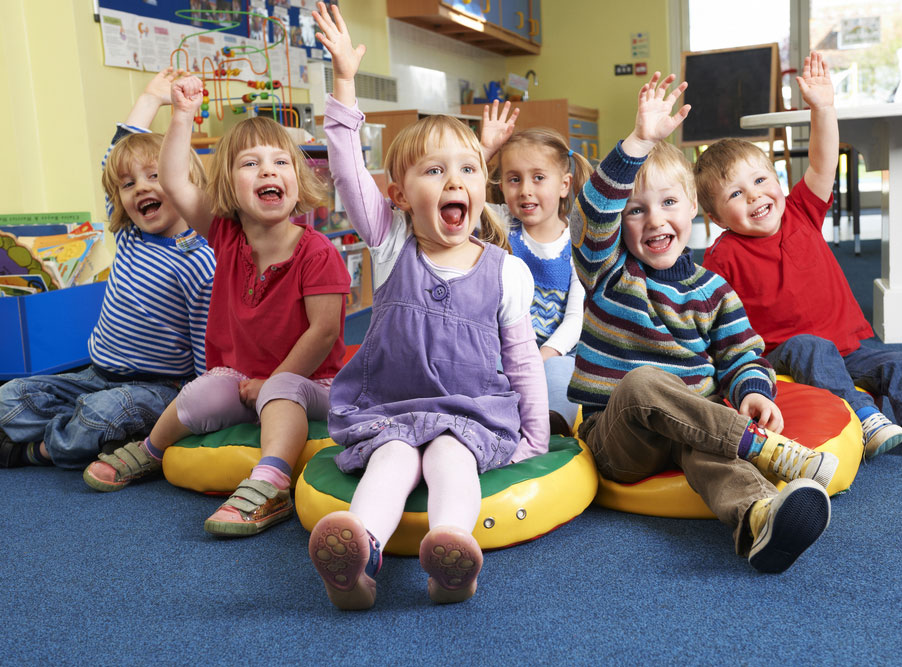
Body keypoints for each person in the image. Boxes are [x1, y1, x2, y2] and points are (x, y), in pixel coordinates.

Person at [308, 1, 548, 609]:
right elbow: (346, 173)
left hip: (469, 414)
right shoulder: (390, 243)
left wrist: (534, 439)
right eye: (433, 170)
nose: (453, 181)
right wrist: (342, 84)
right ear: (398, 196)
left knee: (450, 460)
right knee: (390, 461)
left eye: (468, 169)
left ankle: (451, 555)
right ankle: (357, 557)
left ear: (483, 188)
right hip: (391, 408)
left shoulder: (507, 271)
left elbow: (521, 362)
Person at [571, 71, 838, 573]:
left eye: (670, 203)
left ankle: (759, 519)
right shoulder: (606, 273)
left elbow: (740, 354)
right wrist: (638, 143)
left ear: (694, 208)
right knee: (645, 381)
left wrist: (753, 391)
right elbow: (595, 212)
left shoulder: (713, 290)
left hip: (693, 425)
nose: (654, 220)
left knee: (707, 449)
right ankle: (765, 450)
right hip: (619, 438)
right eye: (636, 211)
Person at [81, 72, 352, 538]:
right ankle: (150, 450)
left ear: (296, 177)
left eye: (280, 162)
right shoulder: (225, 235)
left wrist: (274, 380)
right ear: (228, 185)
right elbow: (172, 179)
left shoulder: (317, 252)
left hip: (311, 383)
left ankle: (269, 484)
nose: (268, 171)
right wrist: (181, 114)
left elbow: (324, 331)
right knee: (202, 390)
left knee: (281, 392)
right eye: (251, 164)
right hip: (242, 380)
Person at [696, 52, 902, 461]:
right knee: (812, 348)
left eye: (760, 180)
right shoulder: (723, 255)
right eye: (736, 194)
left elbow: (823, 163)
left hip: (850, 347)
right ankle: (863, 417)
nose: (754, 195)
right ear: (715, 217)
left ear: (777, 180)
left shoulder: (801, 210)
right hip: (785, 352)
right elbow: (709, 316)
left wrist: (823, 107)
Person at [0, 68, 215, 470]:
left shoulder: (199, 259)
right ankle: (78, 429)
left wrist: (200, 407)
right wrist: (150, 98)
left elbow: (207, 341)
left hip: (157, 387)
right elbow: (112, 159)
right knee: (8, 396)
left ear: (184, 182)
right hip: (95, 373)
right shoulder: (131, 234)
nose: (141, 188)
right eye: (129, 185)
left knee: (100, 415)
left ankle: (36, 450)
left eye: (156, 176)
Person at [478, 102, 593, 435]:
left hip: (555, 352)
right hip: (506, 349)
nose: (525, 189)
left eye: (538, 178)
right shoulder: (500, 229)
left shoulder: (578, 244)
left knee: (563, 374)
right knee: (486, 368)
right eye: (514, 179)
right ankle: (494, 418)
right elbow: (464, 189)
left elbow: (575, 318)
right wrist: (484, 151)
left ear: (563, 185)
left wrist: (542, 355)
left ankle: (551, 426)